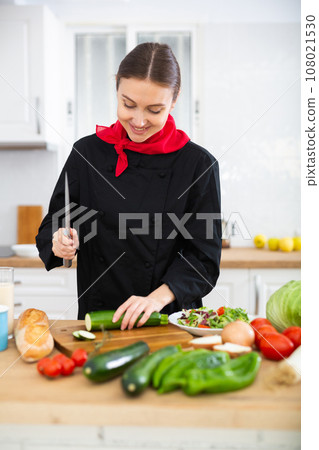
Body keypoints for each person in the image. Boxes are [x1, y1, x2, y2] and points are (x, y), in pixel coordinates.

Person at [36, 42, 222, 330]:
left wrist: (155, 299)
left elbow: (204, 259)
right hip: (99, 316)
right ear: (116, 89)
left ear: (174, 100)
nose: (138, 120)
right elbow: (56, 221)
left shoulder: (198, 165)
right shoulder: (86, 153)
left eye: (154, 109)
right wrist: (59, 241)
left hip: (169, 320)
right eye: (128, 104)